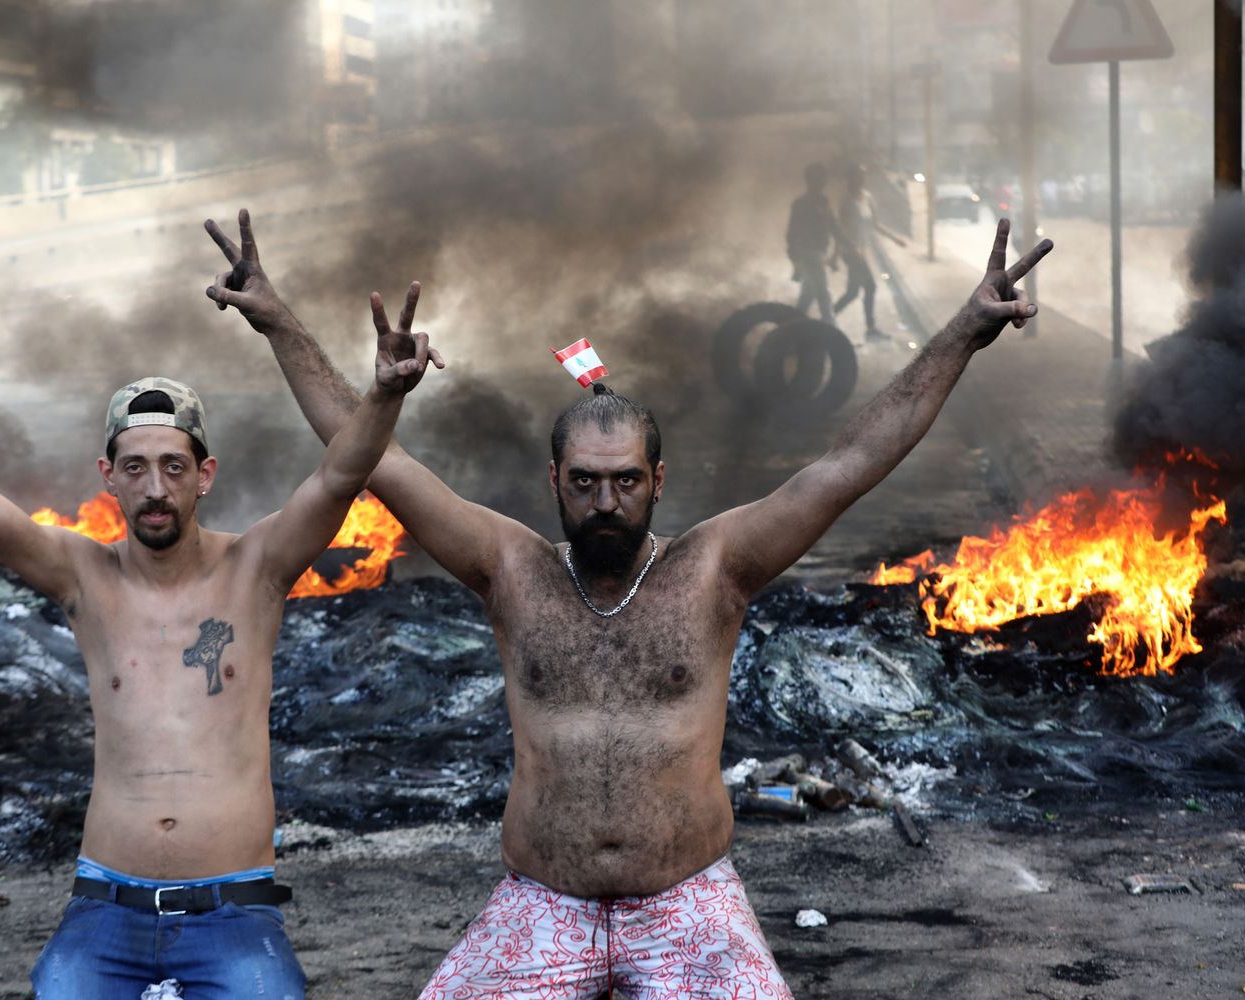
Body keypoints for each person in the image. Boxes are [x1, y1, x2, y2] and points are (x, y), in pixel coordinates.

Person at [204, 210, 1050, 998]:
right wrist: (280, 323)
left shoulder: (715, 568)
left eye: (624, 482)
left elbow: (851, 460)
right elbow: (370, 459)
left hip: (688, 906)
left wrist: (966, 332)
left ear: (657, 482)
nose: (605, 503)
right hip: (543, 902)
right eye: (584, 483)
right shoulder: (510, 568)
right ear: (555, 482)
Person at [0, 297, 437, 999]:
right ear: (108, 475)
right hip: (104, 908)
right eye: (135, 468)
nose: (155, 489)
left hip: (234, 912)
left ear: (204, 474)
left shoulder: (259, 570)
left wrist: (384, 393)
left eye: (173, 467)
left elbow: (340, 476)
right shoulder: (83, 579)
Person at [832, 162, 908, 343]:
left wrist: (895, 238)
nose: (859, 180)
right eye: (856, 176)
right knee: (870, 287)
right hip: (851, 251)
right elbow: (839, 231)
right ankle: (870, 329)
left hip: (861, 251)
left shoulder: (867, 198)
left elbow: (875, 224)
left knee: (852, 292)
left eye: (861, 176)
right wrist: (835, 255)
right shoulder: (846, 202)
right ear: (849, 179)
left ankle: (828, 318)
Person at [786, 161, 851, 324]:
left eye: (823, 179)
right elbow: (792, 234)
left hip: (819, 253)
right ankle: (832, 335)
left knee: (807, 296)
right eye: (819, 179)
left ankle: (790, 331)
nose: (822, 183)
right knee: (823, 295)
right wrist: (796, 262)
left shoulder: (823, 202)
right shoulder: (801, 204)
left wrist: (848, 244)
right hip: (808, 254)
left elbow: (834, 226)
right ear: (810, 180)